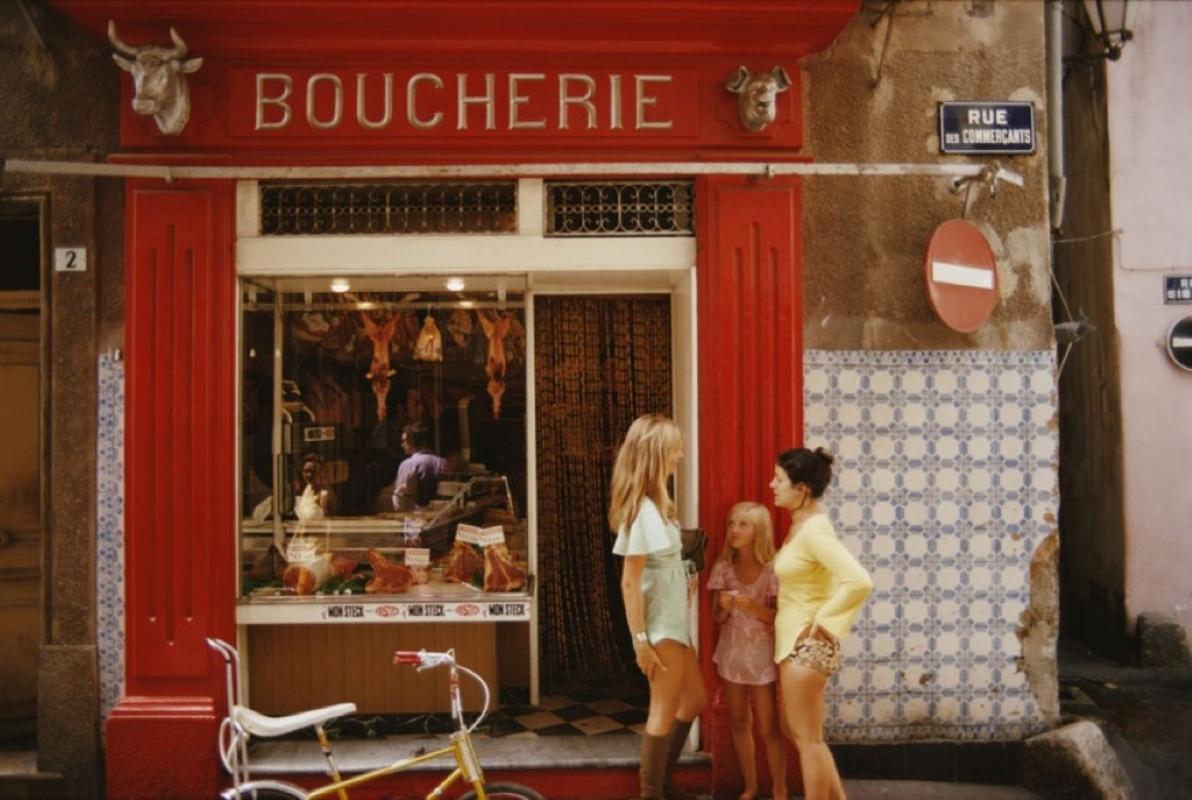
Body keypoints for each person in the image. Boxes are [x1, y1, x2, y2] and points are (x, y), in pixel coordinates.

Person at [610, 414, 707, 800]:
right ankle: (653, 792)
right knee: (663, 711)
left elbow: (653, 568)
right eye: (675, 448)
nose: (681, 455)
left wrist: (683, 571)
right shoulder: (645, 511)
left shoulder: (654, 507)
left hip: (671, 622)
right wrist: (640, 642)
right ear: (657, 454)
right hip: (661, 627)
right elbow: (630, 581)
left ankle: (665, 784)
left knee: (695, 699)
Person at [770, 447, 872, 800]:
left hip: (805, 646)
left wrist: (824, 622)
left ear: (802, 490)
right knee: (799, 732)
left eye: (779, 480)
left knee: (808, 741)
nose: (772, 485)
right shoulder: (803, 527)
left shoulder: (815, 531)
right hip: (795, 644)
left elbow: (859, 580)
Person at [707, 502, 786, 800]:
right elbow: (716, 616)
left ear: (759, 531)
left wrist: (753, 607)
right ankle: (750, 787)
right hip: (732, 653)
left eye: (743, 525)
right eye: (731, 524)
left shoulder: (772, 570)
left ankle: (779, 788)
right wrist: (724, 607)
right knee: (740, 721)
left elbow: (780, 618)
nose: (733, 530)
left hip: (761, 656)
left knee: (768, 727)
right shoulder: (723, 566)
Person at [391, 423, 448, 510]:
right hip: (437, 512)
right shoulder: (442, 462)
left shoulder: (408, 464)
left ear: (413, 441)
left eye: (404, 441)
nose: (402, 445)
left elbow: (400, 497)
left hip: (413, 516)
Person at [295, 453, 334, 520]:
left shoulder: (324, 493)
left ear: (320, 472)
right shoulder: (306, 489)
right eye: (306, 471)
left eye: (313, 471)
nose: (309, 475)